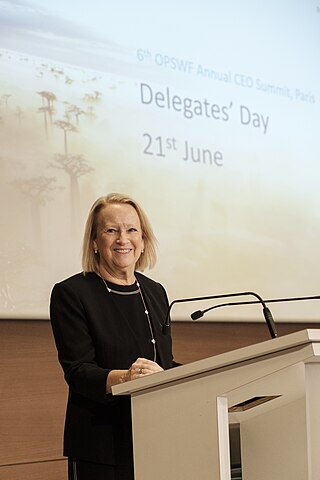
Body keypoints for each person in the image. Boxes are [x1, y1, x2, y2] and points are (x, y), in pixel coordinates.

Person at [50, 193, 179, 480]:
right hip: (101, 445)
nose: (123, 239)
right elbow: (78, 371)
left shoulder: (155, 291)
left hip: (156, 437)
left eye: (132, 230)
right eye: (111, 230)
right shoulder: (72, 293)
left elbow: (164, 363)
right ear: (95, 241)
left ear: (143, 240)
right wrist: (127, 378)